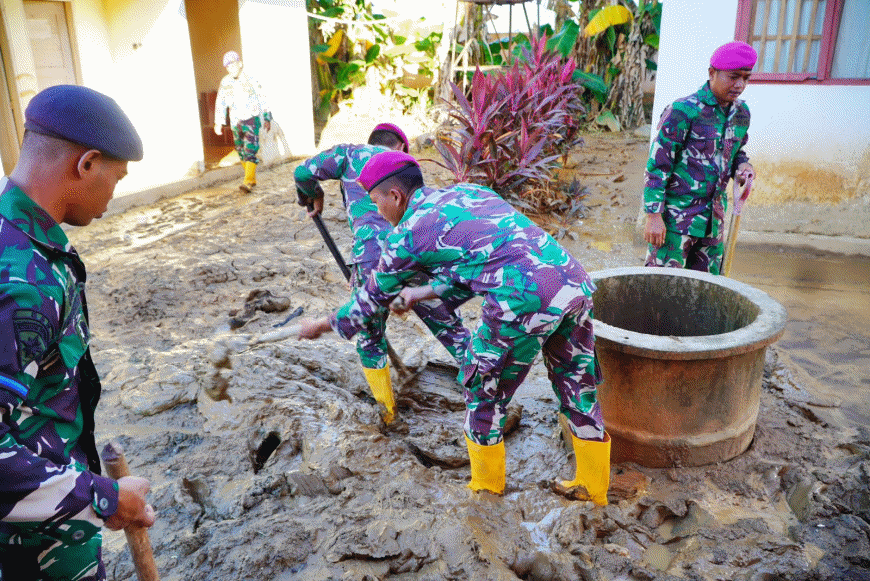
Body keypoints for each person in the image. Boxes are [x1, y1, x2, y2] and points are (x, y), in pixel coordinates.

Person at [298, 151, 610, 504]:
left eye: (376, 203)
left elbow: (367, 302)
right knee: (576, 385)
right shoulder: (470, 193)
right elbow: (480, 262)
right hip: (573, 284)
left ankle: (486, 493)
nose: (378, 213)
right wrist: (420, 292)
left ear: (396, 196)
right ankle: (593, 488)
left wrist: (320, 325)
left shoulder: (408, 234)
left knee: (482, 391)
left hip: (522, 298)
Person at [0, 85, 156, 579]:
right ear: (86, 163)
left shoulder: (27, 241)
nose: (116, 191)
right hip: (31, 546)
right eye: (117, 175)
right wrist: (105, 498)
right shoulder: (23, 282)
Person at [294, 124, 470, 425]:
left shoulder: (348, 154)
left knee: (370, 336)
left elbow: (302, 174)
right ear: (401, 146)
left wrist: (313, 194)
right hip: (415, 255)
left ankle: (388, 415)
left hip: (371, 260)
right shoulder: (407, 169)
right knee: (451, 330)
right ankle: (490, 400)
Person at [643, 41, 757, 275]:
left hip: (713, 223)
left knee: (705, 294)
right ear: (712, 73)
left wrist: (743, 165)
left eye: (746, 78)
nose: (739, 85)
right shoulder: (683, 111)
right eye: (733, 76)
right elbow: (657, 166)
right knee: (661, 288)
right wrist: (653, 215)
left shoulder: (741, 114)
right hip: (675, 223)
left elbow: (736, 152)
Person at [214, 50, 273, 193]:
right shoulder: (225, 82)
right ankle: (251, 178)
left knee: (250, 150)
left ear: (240, 64)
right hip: (235, 122)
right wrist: (219, 122)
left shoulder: (251, 79)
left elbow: (262, 97)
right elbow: (220, 102)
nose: (231, 68)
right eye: (228, 67)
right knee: (240, 151)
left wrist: (267, 117)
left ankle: (247, 182)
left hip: (251, 119)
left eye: (233, 65)